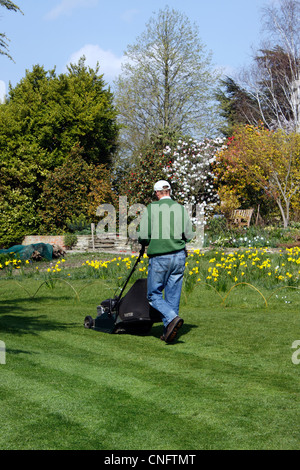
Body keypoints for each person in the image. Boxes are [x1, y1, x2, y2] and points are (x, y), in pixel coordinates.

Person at [138, 180, 194, 342]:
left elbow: (143, 235)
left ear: (157, 193)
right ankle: (168, 332)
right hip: (179, 256)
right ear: (170, 191)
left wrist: (146, 241)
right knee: (172, 296)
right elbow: (189, 234)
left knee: (153, 294)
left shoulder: (151, 208)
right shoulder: (180, 208)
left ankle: (171, 318)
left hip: (160, 257)